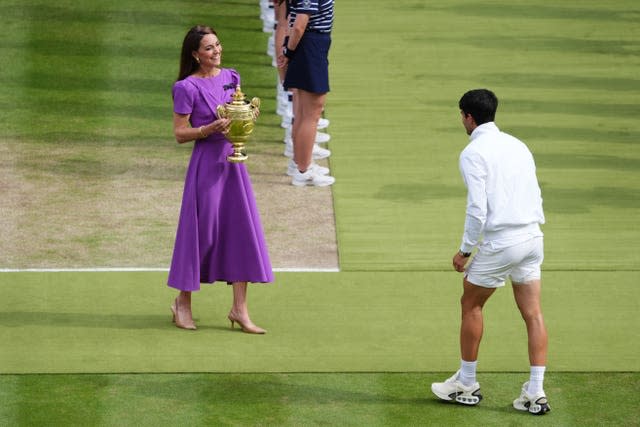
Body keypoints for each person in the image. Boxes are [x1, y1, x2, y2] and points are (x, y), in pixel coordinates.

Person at [431, 89, 550, 415]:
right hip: (532, 238)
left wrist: (465, 250)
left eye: (462, 116)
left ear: (468, 117)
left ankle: (466, 383)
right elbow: (534, 191)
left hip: (502, 241)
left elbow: (478, 209)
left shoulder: (472, 153)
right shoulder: (518, 145)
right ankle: (535, 391)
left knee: (470, 303)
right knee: (533, 313)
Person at [167, 25, 273, 334]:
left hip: (234, 165)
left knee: (240, 232)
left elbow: (239, 114)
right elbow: (179, 134)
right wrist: (208, 129)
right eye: (209, 48)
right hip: (207, 167)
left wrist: (248, 120)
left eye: (218, 45)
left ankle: (239, 309)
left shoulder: (232, 78)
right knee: (202, 234)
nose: (217, 51)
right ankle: (182, 304)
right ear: (195, 55)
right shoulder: (186, 87)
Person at [277, 0, 335, 187]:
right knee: (311, 113)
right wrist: (289, 53)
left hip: (308, 45)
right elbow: (300, 25)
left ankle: (300, 163)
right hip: (309, 46)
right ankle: (304, 170)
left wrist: (289, 51)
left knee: (302, 112)